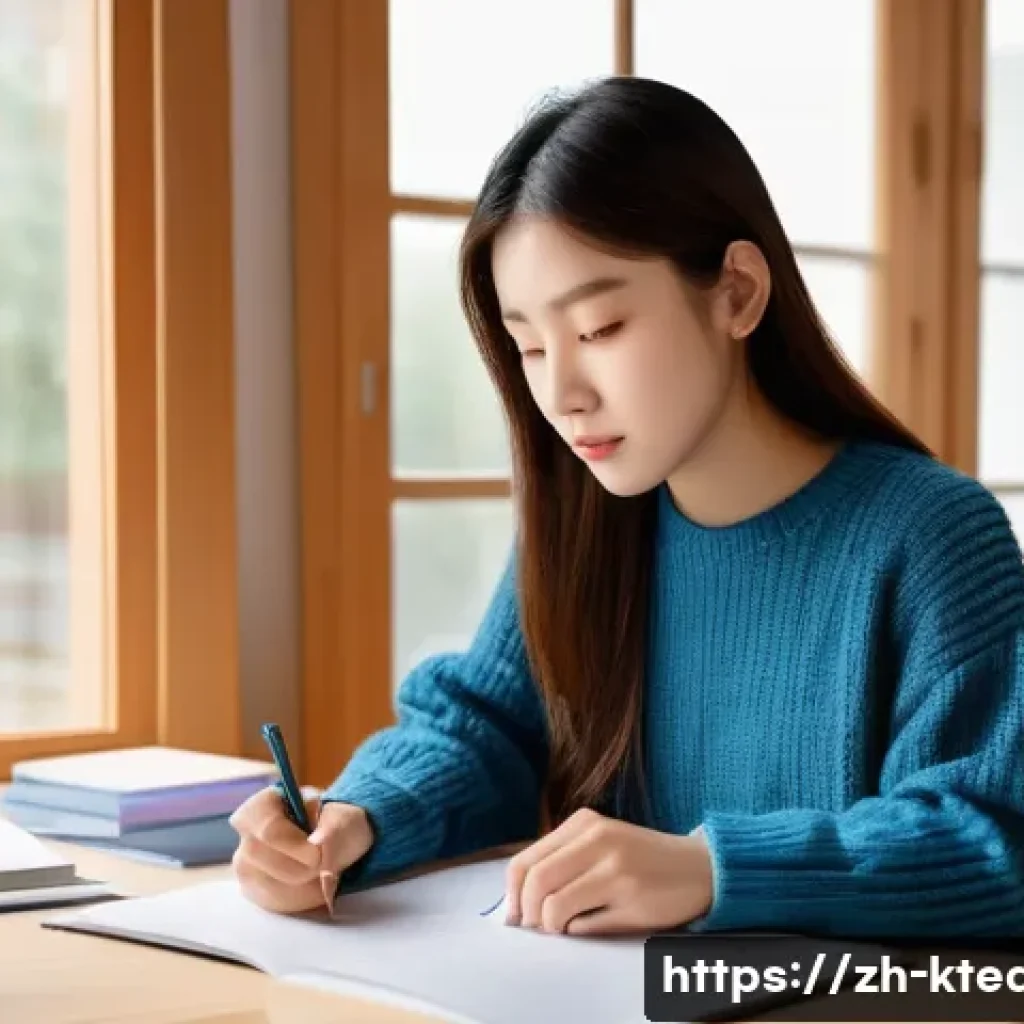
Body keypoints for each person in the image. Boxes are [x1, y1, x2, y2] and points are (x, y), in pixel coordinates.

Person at [229, 76, 1024, 939]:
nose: (562, 392)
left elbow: (990, 842)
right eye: (529, 346)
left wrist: (712, 869)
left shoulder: (932, 534)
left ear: (738, 294)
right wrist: (358, 816)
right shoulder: (594, 521)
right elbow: (485, 730)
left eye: (600, 329)